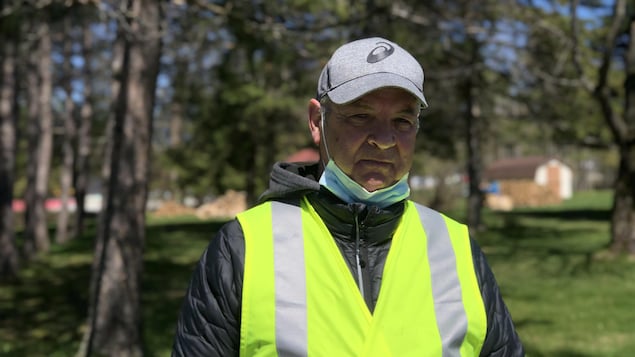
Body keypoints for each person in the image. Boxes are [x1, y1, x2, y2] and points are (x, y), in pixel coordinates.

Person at [172, 37, 524, 356]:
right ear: (316, 121)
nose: (384, 138)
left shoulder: (456, 248)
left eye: (403, 120)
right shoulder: (244, 246)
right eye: (360, 115)